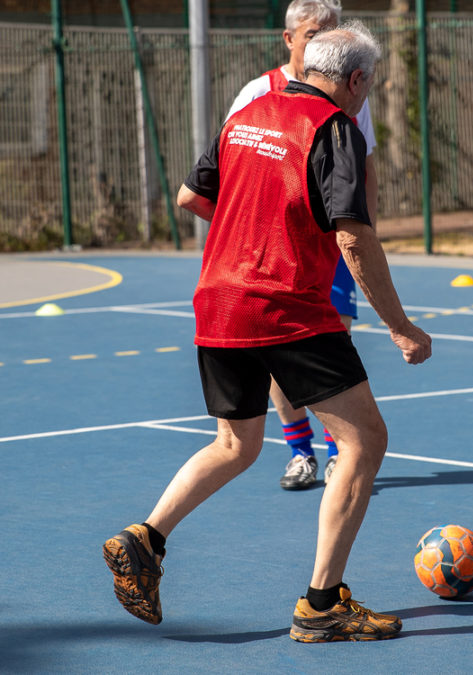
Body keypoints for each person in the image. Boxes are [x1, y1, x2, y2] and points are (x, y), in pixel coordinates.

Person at [103, 22, 432, 643]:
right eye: (369, 84)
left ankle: (144, 540)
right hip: (285, 304)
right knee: (364, 439)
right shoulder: (334, 128)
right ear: (356, 79)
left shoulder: (247, 112)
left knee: (237, 444)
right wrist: (400, 325)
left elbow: (191, 197)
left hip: (219, 299)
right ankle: (322, 604)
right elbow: (353, 236)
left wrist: (252, 225)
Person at [227, 0, 381, 491]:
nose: (325, 39)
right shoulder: (258, 93)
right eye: (315, 31)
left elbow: (365, 164)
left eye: (333, 30)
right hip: (275, 249)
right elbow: (228, 167)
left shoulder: (351, 97)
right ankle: (300, 452)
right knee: (279, 350)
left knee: (335, 339)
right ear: (290, 39)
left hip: (329, 244)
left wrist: (364, 231)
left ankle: (340, 450)